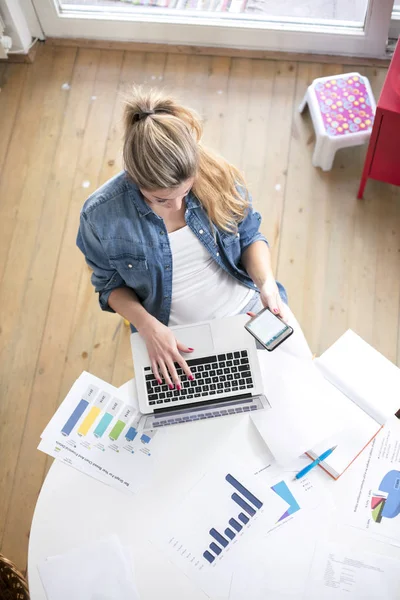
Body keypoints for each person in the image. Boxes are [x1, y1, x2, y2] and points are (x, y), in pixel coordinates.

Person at [77, 87, 288, 390]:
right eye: (161, 200)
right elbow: (108, 285)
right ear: (134, 179)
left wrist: (266, 284)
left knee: (291, 390)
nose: (177, 206)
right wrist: (148, 327)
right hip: (176, 335)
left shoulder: (216, 174)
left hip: (250, 310)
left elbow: (250, 234)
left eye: (186, 193)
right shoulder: (101, 216)